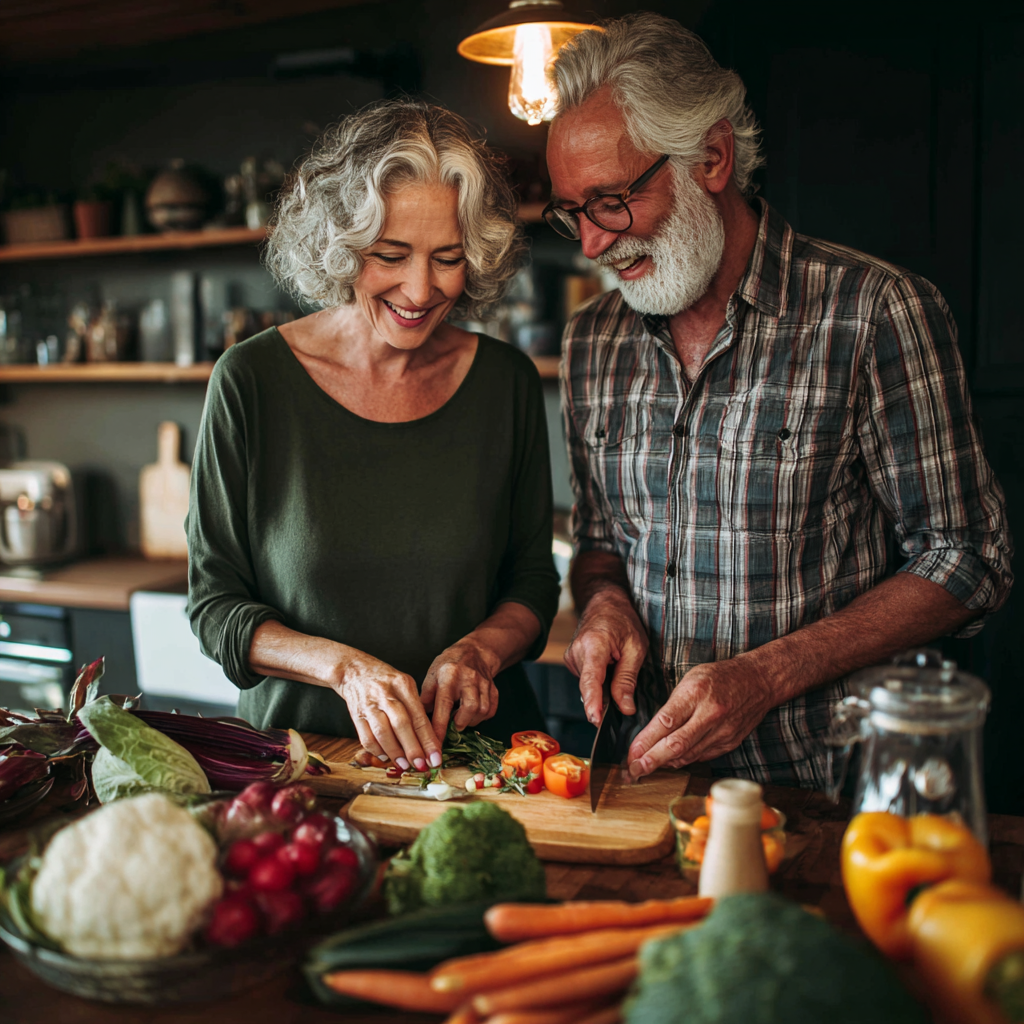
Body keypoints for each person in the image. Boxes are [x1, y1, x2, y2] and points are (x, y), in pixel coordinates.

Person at [545, 13, 1013, 788]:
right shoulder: (592, 340)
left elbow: (971, 558)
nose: (592, 243)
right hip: (648, 786)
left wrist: (767, 674)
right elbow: (600, 543)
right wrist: (603, 604)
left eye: (612, 201)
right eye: (573, 213)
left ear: (714, 158)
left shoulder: (874, 311)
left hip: (829, 793)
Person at [187, 101, 560, 773]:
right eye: (391, 255)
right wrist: (344, 669)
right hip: (310, 768)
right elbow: (216, 608)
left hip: (484, 767)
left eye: (448, 259)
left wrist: (482, 651)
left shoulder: (506, 383)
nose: (421, 289)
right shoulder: (251, 382)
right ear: (342, 246)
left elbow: (532, 584)